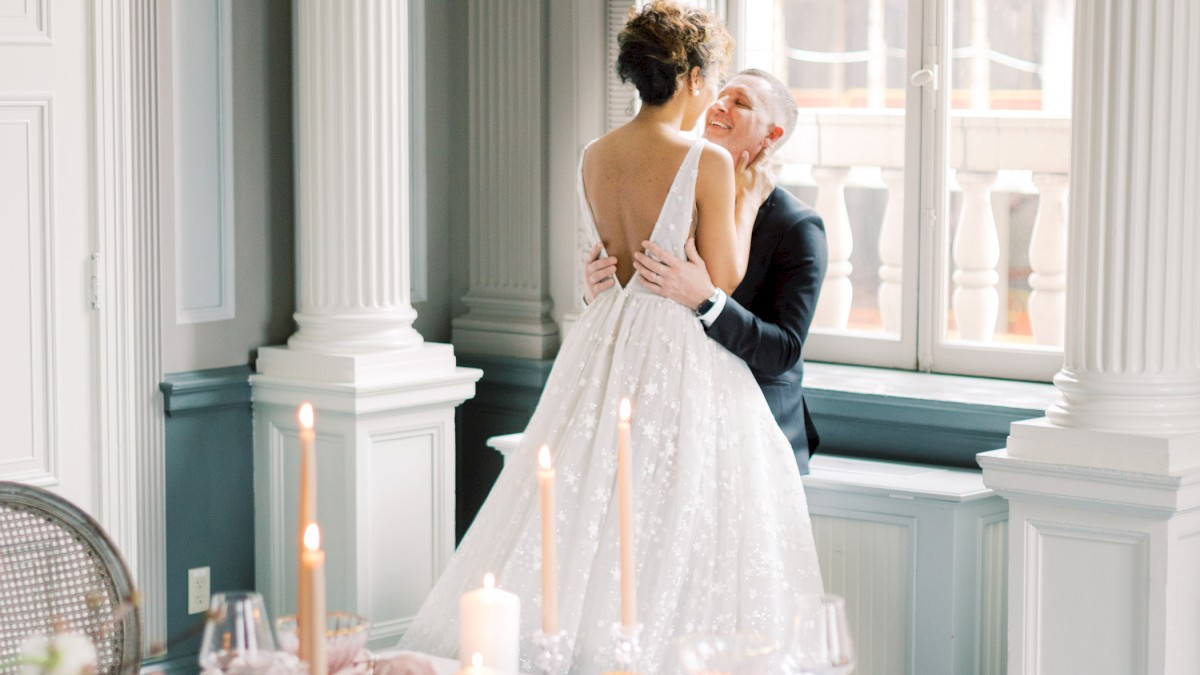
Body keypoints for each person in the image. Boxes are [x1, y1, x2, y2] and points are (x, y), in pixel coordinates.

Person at [398, 3, 824, 672]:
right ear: (690, 77)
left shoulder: (594, 155)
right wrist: (744, 200)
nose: (714, 95)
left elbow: (613, 261)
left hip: (606, 341)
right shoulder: (708, 161)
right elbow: (722, 276)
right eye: (714, 80)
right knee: (663, 530)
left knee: (587, 516)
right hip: (675, 352)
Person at [584, 68, 828, 475]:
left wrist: (708, 301)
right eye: (722, 95)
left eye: (741, 103)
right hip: (671, 425)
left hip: (755, 439)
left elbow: (783, 351)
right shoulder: (676, 197)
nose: (720, 105)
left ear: (771, 137)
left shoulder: (797, 226)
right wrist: (600, 291)